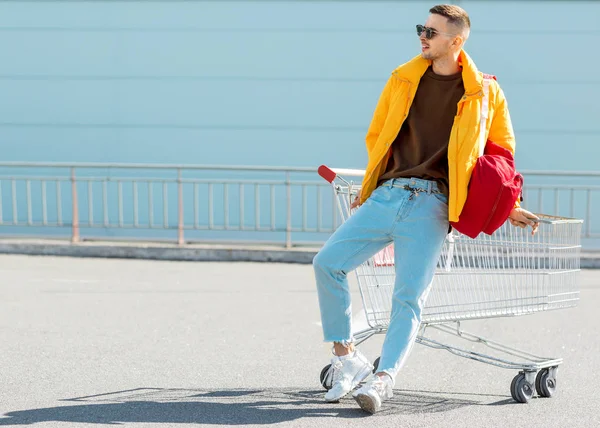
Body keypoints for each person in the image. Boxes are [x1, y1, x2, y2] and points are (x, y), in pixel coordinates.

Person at [312, 4, 539, 414]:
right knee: (327, 263)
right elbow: (378, 135)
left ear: (456, 40)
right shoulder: (402, 78)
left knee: (408, 297)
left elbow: (501, 155)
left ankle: (383, 380)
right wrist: (371, 184)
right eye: (421, 28)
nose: (422, 36)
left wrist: (511, 206)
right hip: (388, 194)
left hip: (433, 205)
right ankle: (346, 358)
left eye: (430, 32)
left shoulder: (485, 92)